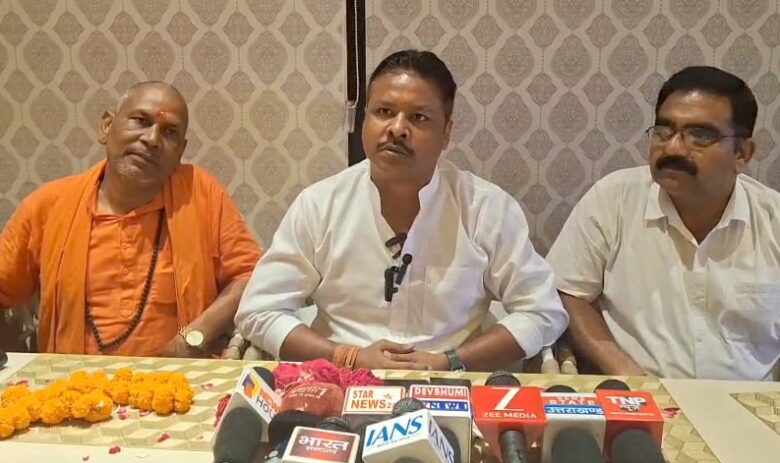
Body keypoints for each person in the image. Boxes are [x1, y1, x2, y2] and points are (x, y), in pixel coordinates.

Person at [236, 50, 568, 372]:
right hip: (341, 384)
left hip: (450, 386)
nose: (397, 128)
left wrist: (451, 361)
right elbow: (258, 311)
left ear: (446, 133)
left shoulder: (485, 208)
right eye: (384, 111)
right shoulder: (320, 205)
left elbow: (543, 312)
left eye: (418, 117)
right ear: (364, 120)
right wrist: (347, 357)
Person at [547, 66, 780, 380]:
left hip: (747, 400)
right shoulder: (614, 198)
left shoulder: (772, 219)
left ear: (742, 153)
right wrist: (626, 373)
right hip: (638, 396)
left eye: (700, 136)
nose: (672, 148)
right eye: (664, 131)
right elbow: (568, 294)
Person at [0, 82, 261, 357]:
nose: (152, 139)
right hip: (71, 380)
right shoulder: (49, 205)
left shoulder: (201, 194)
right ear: (106, 126)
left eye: (169, 132)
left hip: (180, 378)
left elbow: (251, 277)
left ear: (180, 151)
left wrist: (191, 339)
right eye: (140, 121)